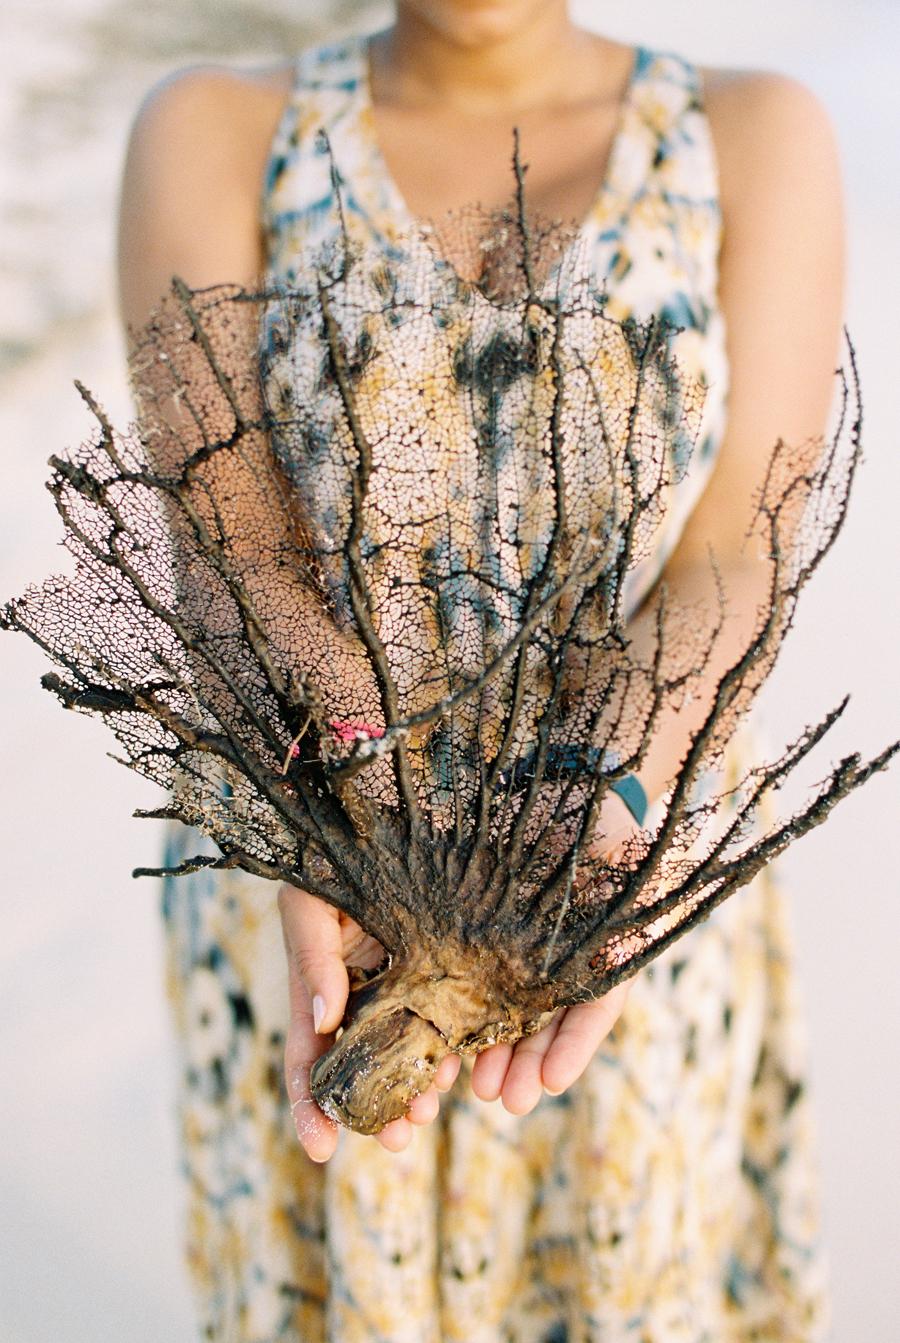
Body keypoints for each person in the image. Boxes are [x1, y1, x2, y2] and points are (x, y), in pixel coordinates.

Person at [118, 2, 842, 1338]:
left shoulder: (751, 134)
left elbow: (743, 540)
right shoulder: (217, 128)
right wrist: (336, 791)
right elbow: (227, 542)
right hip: (315, 869)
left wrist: (617, 783)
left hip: (625, 852)